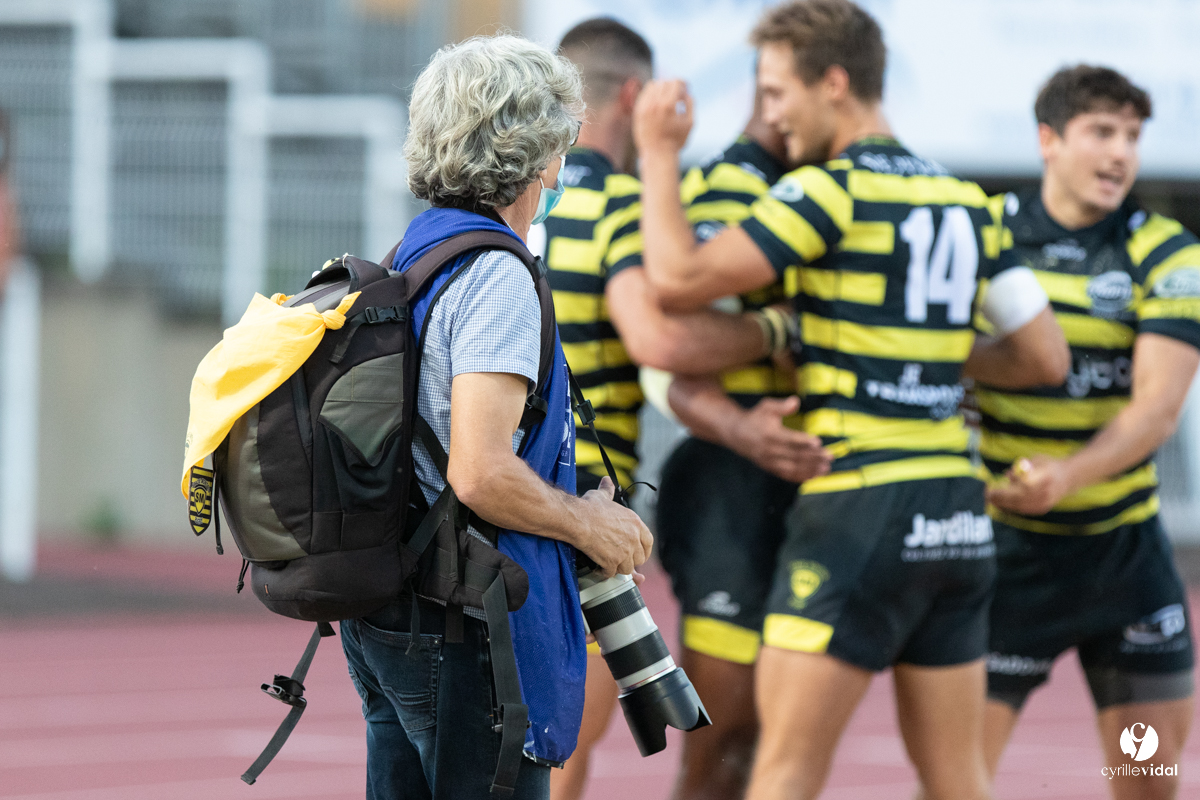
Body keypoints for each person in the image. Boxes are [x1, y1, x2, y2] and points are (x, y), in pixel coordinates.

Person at [632, 2, 1070, 799]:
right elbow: (1045, 357)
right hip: (959, 513)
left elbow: (676, 280)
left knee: (784, 773)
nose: (774, 114)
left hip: (857, 511)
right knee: (959, 781)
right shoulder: (967, 201)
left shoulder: (828, 193)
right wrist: (922, 356)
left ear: (833, 83)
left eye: (777, 91)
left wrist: (658, 156)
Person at [337, 35, 653, 800]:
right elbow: (479, 468)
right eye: (565, 139)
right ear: (539, 153)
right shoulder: (496, 274)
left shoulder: (418, 249)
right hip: (462, 623)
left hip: (388, 603)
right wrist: (588, 523)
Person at [543, 20, 827, 800]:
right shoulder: (623, 205)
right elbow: (661, 338)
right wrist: (785, 328)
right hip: (583, 521)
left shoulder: (517, 206)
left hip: (485, 505)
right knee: (560, 756)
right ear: (634, 97)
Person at [980, 66, 1198, 800]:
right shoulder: (985, 232)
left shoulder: (1167, 252)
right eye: (1101, 132)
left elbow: (1157, 409)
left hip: (1124, 564)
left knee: (1149, 783)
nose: (1120, 154)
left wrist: (1066, 478)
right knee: (954, 782)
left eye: (1132, 137)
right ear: (1048, 139)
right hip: (1002, 561)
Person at [654, 97, 819, 800]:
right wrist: (788, 335)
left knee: (788, 748)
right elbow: (674, 350)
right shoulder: (726, 190)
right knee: (723, 746)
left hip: (838, 492)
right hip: (735, 492)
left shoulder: (847, 186)